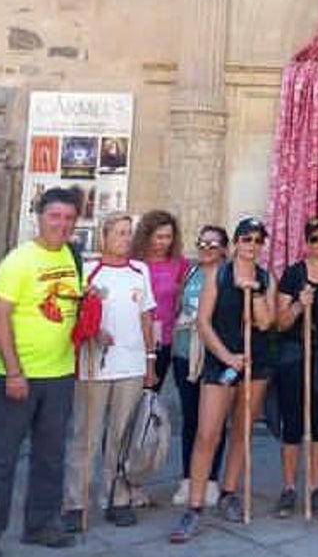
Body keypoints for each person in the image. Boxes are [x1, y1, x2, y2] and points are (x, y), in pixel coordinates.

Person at [0, 187, 84, 556]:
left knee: (50, 456)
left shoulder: (71, 256)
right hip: (18, 376)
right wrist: (15, 372)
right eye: (55, 217)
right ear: (40, 217)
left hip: (60, 374)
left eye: (68, 218)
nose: (61, 225)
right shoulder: (18, 261)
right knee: (1, 459)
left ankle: (40, 525)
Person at [170, 218, 276, 543]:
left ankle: (229, 491)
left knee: (242, 432)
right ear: (236, 243)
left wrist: (255, 293)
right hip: (221, 363)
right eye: (246, 238)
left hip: (255, 363)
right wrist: (228, 357)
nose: (252, 244)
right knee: (207, 434)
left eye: (258, 240)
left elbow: (266, 321)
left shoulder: (265, 278)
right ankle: (195, 505)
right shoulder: (219, 274)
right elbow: (202, 323)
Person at [61, 212, 157, 531]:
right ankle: (76, 502)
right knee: (85, 435)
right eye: (119, 233)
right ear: (104, 236)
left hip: (130, 363)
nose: (125, 239)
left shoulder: (139, 271)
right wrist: (92, 331)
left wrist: (150, 359)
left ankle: (118, 496)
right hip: (94, 366)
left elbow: (146, 317)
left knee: (122, 435)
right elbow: (75, 315)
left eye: (129, 233)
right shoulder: (88, 271)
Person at [275, 216, 318, 519]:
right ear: (307, 243)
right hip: (295, 355)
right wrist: (299, 305)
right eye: (314, 238)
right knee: (293, 423)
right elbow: (281, 322)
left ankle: (315, 488)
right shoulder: (293, 274)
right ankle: (290, 488)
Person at [170, 225, 228, 509]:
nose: (206, 249)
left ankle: (211, 479)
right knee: (191, 418)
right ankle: (188, 479)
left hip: (213, 355)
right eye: (202, 244)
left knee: (215, 422)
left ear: (224, 249)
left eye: (213, 245)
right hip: (185, 352)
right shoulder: (191, 272)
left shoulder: (227, 276)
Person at [131, 211, 188, 395]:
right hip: (134, 336)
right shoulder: (134, 262)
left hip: (163, 338)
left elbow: (181, 300)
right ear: (146, 236)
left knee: (152, 394)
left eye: (168, 237)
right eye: (159, 237)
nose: (164, 242)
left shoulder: (180, 264)